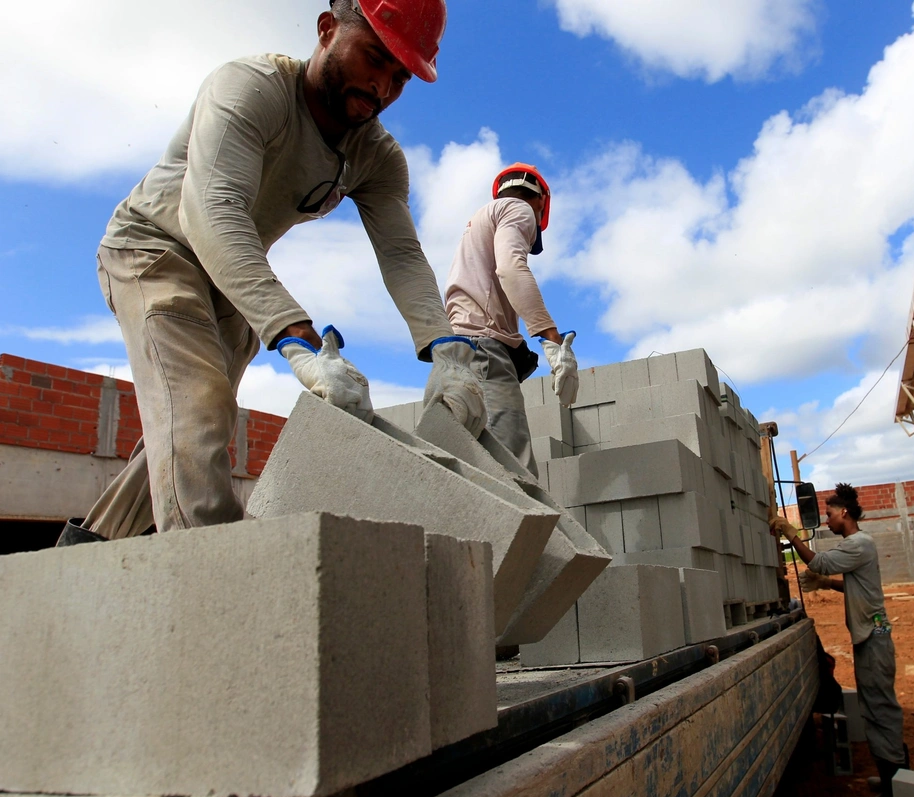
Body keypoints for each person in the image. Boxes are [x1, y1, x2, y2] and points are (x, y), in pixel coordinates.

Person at [56, 0, 486, 546]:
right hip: (154, 250)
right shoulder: (250, 89)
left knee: (184, 429)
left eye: (400, 76)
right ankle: (221, 581)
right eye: (374, 57)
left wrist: (446, 349)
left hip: (233, 279)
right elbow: (212, 209)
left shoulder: (376, 158)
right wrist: (297, 337)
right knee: (199, 410)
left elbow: (401, 253)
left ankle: (81, 555)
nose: (381, 86)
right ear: (328, 29)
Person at [772, 483, 908, 797]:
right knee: (875, 705)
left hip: (874, 637)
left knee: (879, 708)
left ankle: (894, 783)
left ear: (844, 512)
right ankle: (892, 777)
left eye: (830, 515)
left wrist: (789, 533)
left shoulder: (858, 544)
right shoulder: (859, 545)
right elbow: (858, 586)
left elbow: (818, 561)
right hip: (872, 635)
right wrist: (828, 584)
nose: (827, 521)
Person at [443, 164, 578, 475]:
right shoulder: (519, 209)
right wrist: (552, 340)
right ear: (542, 201)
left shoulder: (479, 220)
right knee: (514, 473)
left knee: (471, 473)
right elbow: (511, 268)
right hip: (484, 351)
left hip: (456, 352)